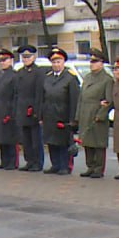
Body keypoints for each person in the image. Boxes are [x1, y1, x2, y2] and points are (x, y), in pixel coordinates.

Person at [40, 46, 80, 175]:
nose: (56, 64)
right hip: (49, 115)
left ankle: (65, 165)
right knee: (52, 141)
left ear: (63, 62)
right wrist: (41, 115)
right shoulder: (47, 77)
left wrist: (73, 119)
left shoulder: (70, 78)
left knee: (63, 142)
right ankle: (55, 164)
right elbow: (43, 97)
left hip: (63, 115)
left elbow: (74, 99)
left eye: (58, 62)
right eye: (54, 62)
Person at [76, 49, 114, 178]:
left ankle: (98, 168)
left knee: (98, 143)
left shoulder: (107, 79)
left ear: (101, 63)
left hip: (97, 114)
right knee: (87, 141)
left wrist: (101, 115)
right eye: (90, 61)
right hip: (85, 112)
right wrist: (78, 115)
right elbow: (81, 97)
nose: (91, 64)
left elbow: (109, 100)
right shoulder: (87, 77)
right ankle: (90, 167)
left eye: (95, 61)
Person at [14, 44, 46, 171]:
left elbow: (39, 93)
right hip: (22, 109)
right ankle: (29, 161)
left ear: (33, 57)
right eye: (24, 57)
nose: (26, 59)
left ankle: (37, 162)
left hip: (33, 110)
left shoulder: (38, 72)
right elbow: (17, 93)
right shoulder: (20, 72)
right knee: (26, 139)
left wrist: (37, 111)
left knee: (35, 139)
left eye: (28, 56)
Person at [0, 48, 22, 169]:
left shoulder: (14, 76)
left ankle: (12, 162)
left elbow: (16, 95)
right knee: (1, 137)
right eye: (1, 60)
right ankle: (4, 161)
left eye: (5, 60)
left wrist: (11, 112)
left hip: (9, 110)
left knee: (10, 138)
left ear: (11, 60)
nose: (2, 62)